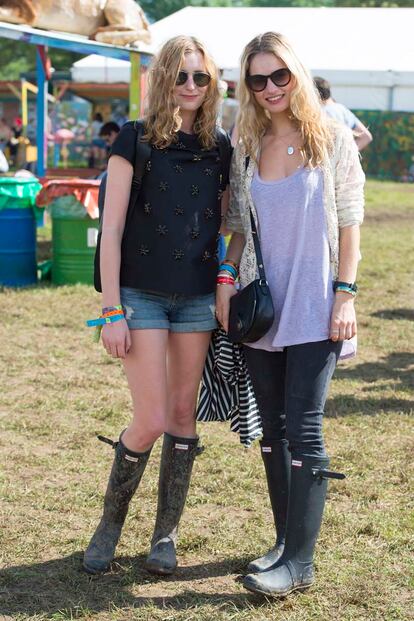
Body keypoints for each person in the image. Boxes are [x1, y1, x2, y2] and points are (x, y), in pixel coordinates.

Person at [215, 32, 365, 598]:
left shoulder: (329, 137)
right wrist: (226, 282)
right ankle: (284, 544)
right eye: (258, 79)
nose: (272, 87)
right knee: (271, 428)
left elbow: (350, 219)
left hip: (316, 301)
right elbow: (235, 224)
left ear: (297, 74)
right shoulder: (246, 141)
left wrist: (345, 294)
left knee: (304, 427)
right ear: (248, 87)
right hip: (261, 305)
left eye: (281, 75)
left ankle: (300, 564)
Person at [83, 35, 231, 576]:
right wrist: (111, 309)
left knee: (181, 416)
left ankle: (164, 536)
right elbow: (112, 228)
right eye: (181, 75)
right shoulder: (134, 138)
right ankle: (109, 527)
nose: (190, 86)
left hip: (195, 298)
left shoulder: (220, 146)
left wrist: (224, 282)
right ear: (164, 77)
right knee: (148, 419)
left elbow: (225, 223)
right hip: (140, 295)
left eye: (201, 77)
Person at [314, 76, 373, 151]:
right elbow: (366, 137)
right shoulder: (342, 109)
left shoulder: (317, 113)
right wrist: (349, 153)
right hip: (344, 160)